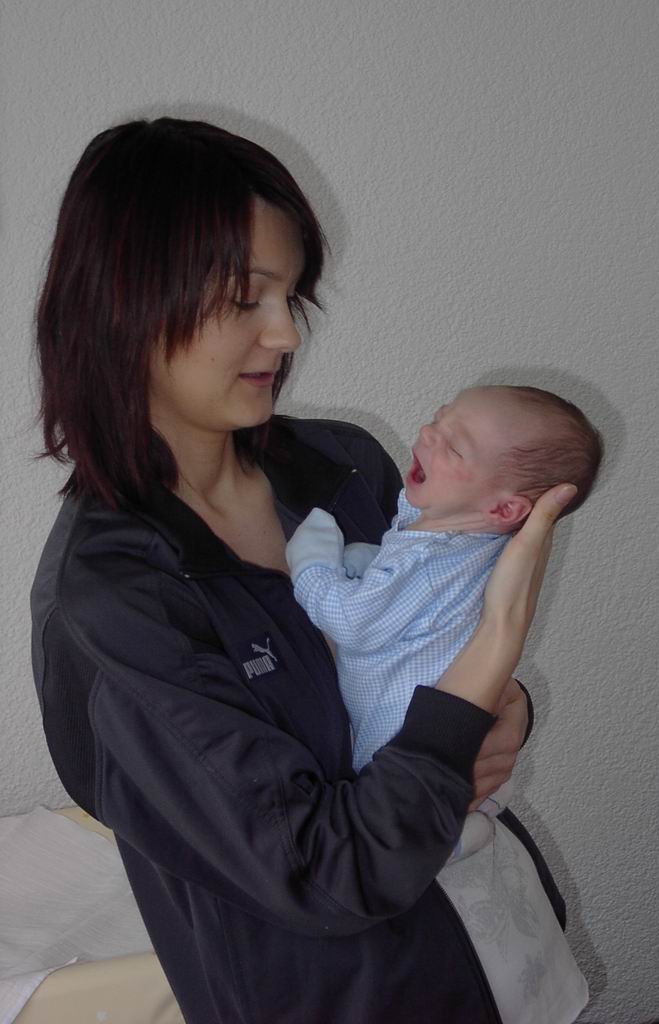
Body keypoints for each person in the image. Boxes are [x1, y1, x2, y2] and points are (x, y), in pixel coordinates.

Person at [30, 117, 585, 1024]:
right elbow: (323, 870)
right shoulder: (112, 605)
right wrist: (494, 651)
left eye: (291, 296)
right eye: (246, 298)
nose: (286, 333)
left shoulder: (343, 465)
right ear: (127, 304)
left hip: (503, 959)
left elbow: (424, 668)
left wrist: (504, 706)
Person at [285, 383, 603, 859]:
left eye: (453, 446)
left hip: (400, 748)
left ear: (505, 509)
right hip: (440, 758)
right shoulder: (473, 542)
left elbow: (352, 620)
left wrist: (311, 567)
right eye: (438, 418)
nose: (427, 434)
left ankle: (448, 838)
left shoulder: (424, 551)